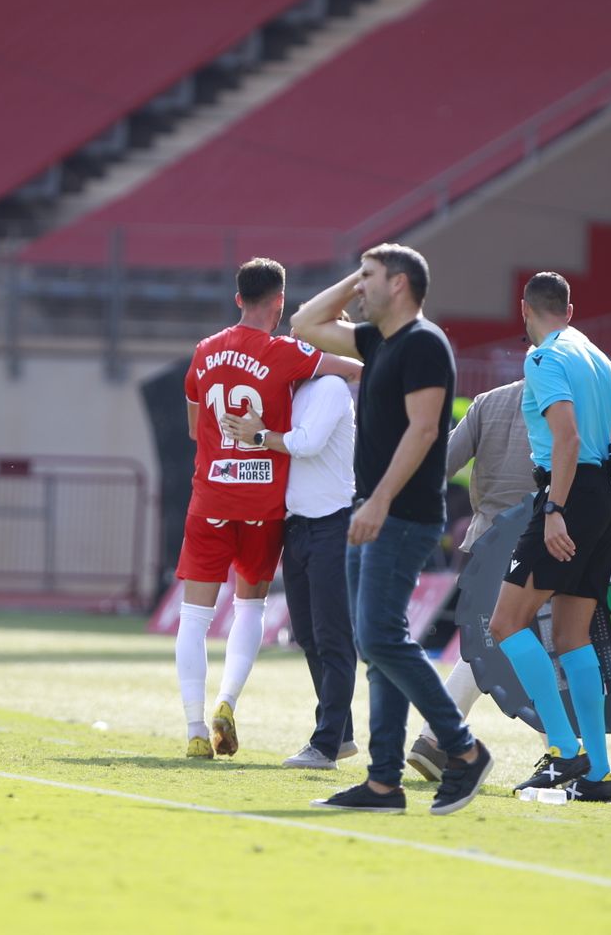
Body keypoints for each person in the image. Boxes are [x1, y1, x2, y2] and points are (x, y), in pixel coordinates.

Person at [291, 244, 493, 815]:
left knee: (380, 638)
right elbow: (304, 322)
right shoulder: (377, 340)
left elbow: (426, 430)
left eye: (371, 277)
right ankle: (383, 784)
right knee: (376, 649)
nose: (360, 288)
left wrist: (378, 501)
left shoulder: (425, 343)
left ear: (399, 284)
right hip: (374, 509)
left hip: (400, 513)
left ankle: (462, 748)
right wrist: (354, 279)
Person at [484, 272, 611, 803]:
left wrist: (557, 506)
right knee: (573, 636)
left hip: (568, 496)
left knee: (506, 622)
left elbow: (568, 437)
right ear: (570, 309)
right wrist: (602, 488)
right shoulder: (599, 358)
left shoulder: (543, 359)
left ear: (524, 309)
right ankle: (599, 774)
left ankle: (563, 751)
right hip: (602, 497)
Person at [174, 258, 346, 759]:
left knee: (193, 616)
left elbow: (192, 427)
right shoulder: (287, 353)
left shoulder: (204, 352)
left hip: (210, 496)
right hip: (264, 506)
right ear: (280, 303)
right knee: (250, 607)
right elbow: (355, 368)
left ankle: (193, 728)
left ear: (236, 299)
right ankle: (227, 701)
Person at [221, 371, 360, 770]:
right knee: (308, 635)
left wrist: (260, 435)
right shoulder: (293, 389)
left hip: (332, 524)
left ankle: (326, 743)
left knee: (333, 636)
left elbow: (307, 444)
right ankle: (342, 732)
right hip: (297, 524)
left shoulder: (331, 387)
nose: (295, 340)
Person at [405, 377, 530, 783]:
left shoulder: (486, 402)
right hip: (541, 542)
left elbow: (440, 464)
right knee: (536, 643)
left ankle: (435, 739)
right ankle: (569, 755)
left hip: (486, 541)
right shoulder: (570, 404)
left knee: (491, 643)